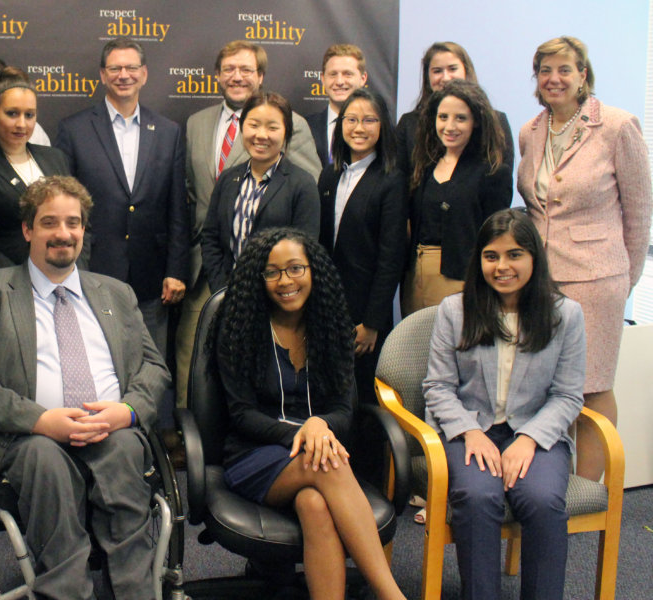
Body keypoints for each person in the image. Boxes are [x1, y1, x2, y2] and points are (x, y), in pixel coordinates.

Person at [0, 175, 169, 600]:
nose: (63, 234)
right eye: (49, 223)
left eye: (73, 223)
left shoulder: (116, 293)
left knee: (124, 451)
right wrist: (41, 420)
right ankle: (65, 591)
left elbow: (154, 369)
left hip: (111, 430)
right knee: (46, 458)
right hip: (24, 439)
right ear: (28, 229)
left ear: (84, 230)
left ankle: (136, 592)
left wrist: (128, 411)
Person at [211, 227, 405, 600]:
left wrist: (320, 425)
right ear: (259, 278)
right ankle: (392, 595)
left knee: (314, 505)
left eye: (296, 268)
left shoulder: (330, 328)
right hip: (254, 455)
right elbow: (241, 415)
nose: (286, 281)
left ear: (313, 271)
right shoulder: (239, 328)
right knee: (326, 462)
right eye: (273, 272)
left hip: (320, 451)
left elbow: (343, 411)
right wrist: (302, 435)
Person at [423, 208, 585, 600]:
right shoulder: (455, 310)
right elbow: (438, 387)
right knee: (478, 497)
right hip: (470, 430)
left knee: (543, 500)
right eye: (491, 256)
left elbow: (568, 395)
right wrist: (471, 432)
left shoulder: (566, 315)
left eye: (514, 255)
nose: (502, 266)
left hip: (536, 432)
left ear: (534, 257)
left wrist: (529, 439)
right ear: (478, 259)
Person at [517, 36, 652, 481]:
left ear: (583, 75)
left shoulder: (617, 125)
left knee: (591, 388)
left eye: (564, 69)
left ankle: (587, 496)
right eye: (545, 70)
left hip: (596, 281)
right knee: (547, 389)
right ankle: (550, 487)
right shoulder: (530, 131)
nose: (554, 78)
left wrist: (623, 279)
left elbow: (638, 213)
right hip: (541, 282)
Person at [179, 40, 322, 405]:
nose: (237, 76)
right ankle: (192, 432)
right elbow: (200, 211)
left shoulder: (296, 153)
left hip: (277, 288)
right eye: (229, 69)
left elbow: (304, 221)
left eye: (246, 69)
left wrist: (269, 282)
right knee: (196, 359)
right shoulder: (199, 128)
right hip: (212, 275)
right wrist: (224, 281)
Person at [55, 37, 188, 359]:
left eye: (131, 68)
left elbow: (177, 208)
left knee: (151, 364)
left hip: (152, 274)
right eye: (115, 68)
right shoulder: (74, 130)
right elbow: (64, 205)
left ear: (144, 74)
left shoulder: (169, 132)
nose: (123, 75)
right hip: (92, 268)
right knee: (98, 359)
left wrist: (176, 269)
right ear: (102, 74)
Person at [318, 88, 406, 412]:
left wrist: (373, 323)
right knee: (329, 395)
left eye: (369, 120)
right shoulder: (330, 175)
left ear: (382, 126)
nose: (359, 128)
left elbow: (391, 258)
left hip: (365, 315)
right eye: (351, 119)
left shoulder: (391, 180)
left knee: (364, 400)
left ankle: (366, 465)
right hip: (328, 307)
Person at [403, 79, 512, 315]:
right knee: (416, 348)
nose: (449, 126)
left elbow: (495, 238)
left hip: (461, 279)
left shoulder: (492, 171)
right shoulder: (425, 166)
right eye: (443, 117)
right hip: (415, 277)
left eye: (460, 118)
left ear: (476, 122)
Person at [201, 91, 319, 293]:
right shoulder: (229, 179)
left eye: (272, 127)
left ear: (286, 133)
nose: (261, 135)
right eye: (253, 125)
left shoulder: (302, 184)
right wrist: (221, 288)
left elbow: (304, 251)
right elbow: (211, 237)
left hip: (278, 298)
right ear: (242, 128)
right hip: (229, 294)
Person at [0, 66, 70, 271]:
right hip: (6, 282)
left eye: (29, 115)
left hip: (60, 276)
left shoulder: (55, 158)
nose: (21, 124)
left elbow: (79, 222)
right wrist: (20, 278)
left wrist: (76, 266)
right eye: (12, 113)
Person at [395, 41, 514, 176]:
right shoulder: (409, 123)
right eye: (437, 71)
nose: (446, 78)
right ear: (427, 76)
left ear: (466, 71)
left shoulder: (496, 121)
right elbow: (399, 178)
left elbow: (502, 177)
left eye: (452, 69)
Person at [307, 43, 368, 168]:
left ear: (363, 78)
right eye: (333, 74)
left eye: (347, 74)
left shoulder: (377, 128)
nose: (339, 81)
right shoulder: (306, 127)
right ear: (323, 79)